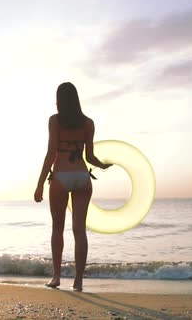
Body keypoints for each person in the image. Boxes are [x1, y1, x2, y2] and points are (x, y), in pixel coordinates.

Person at [34, 82, 112, 292]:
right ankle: (78, 281)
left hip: (60, 176)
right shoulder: (88, 123)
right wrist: (103, 165)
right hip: (81, 176)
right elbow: (89, 156)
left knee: (57, 228)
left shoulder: (55, 121)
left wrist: (40, 184)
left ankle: (57, 277)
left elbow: (52, 153)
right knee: (79, 230)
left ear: (59, 100)